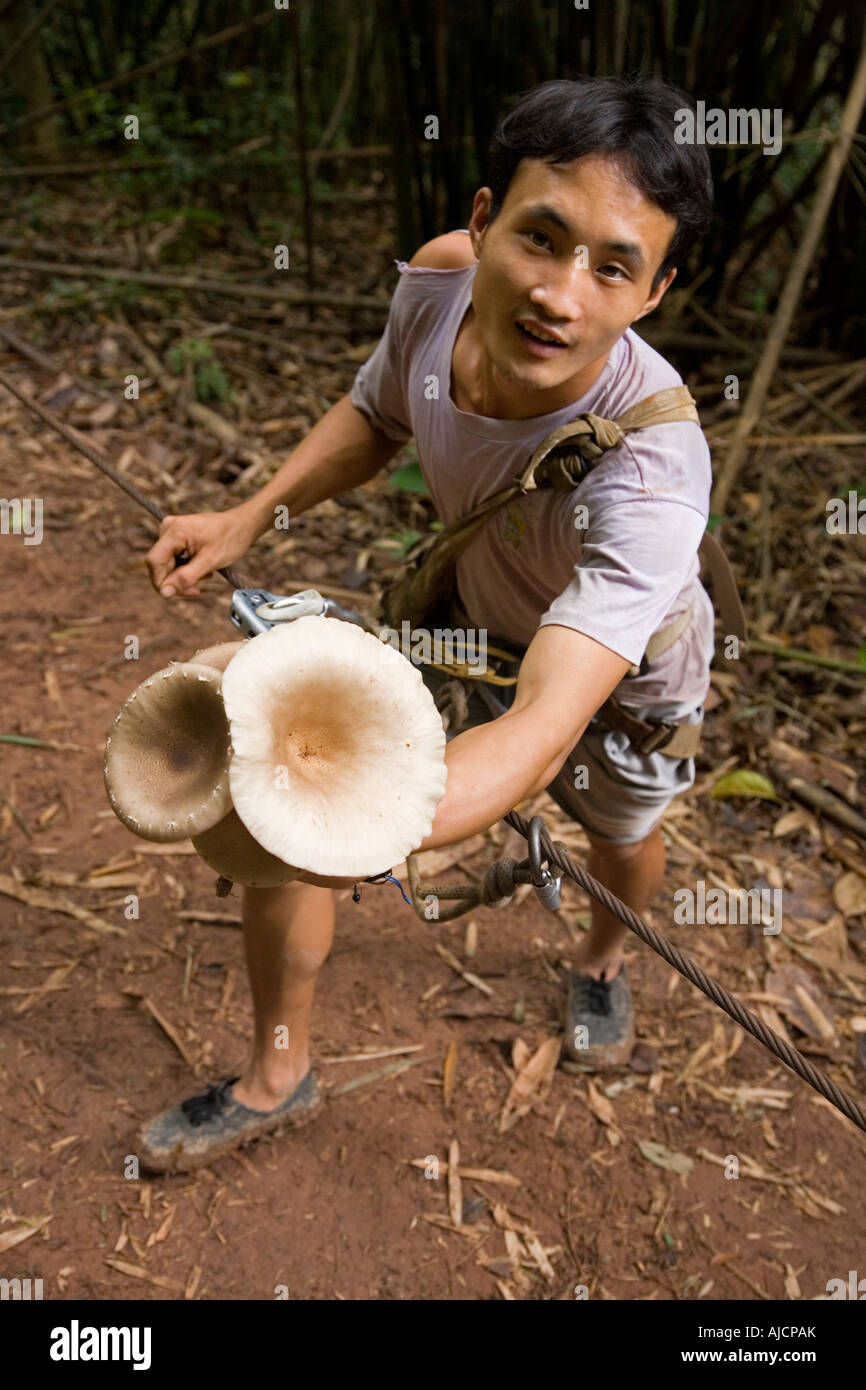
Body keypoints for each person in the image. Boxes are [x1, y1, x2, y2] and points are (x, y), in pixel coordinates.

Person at [138, 74, 716, 1171]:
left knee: (620, 835)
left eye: (612, 267)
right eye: (540, 239)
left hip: (619, 674)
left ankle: (598, 960)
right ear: (482, 219)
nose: (560, 293)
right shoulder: (441, 285)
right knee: (288, 840)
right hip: (463, 608)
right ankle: (277, 1072)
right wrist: (251, 513)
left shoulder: (651, 473)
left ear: (654, 292)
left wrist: (363, 813)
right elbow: (376, 409)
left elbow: (545, 724)